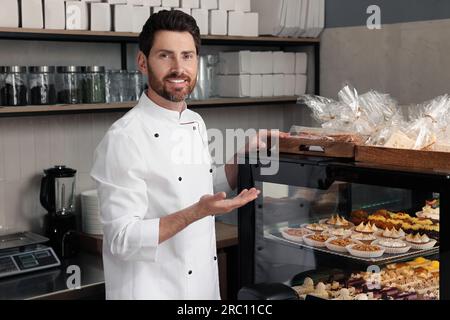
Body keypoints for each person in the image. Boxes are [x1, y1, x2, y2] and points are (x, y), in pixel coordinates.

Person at [90, 10, 262, 300]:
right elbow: (122, 239)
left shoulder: (194, 121)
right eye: (165, 56)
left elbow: (200, 187)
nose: (179, 68)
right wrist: (197, 212)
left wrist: (243, 156)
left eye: (187, 56)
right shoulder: (124, 137)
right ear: (143, 62)